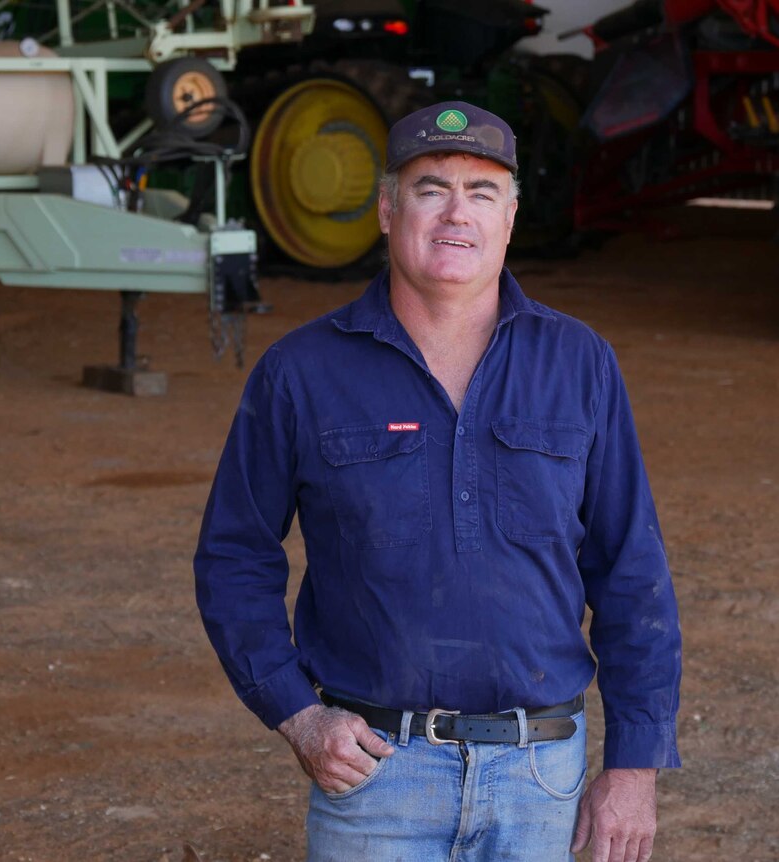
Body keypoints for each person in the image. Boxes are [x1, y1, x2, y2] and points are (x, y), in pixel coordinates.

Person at [194, 101, 681, 862]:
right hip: (376, 781)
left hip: (540, 776)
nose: (458, 212)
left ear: (511, 217)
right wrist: (297, 715)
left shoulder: (580, 365)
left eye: (482, 193)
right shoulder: (301, 373)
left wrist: (634, 767)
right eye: (431, 188)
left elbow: (632, 573)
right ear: (388, 209)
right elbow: (233, 556)